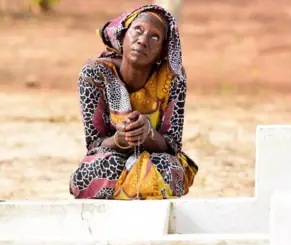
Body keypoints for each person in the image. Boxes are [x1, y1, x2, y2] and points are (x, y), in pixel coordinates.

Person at [69, 4, 198, 200]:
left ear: (163, 51)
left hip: (157, 159)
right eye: (137, 29)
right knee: (89, 174)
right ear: (122, 35)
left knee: (169, 169)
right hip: (113, 157)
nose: (143, 40)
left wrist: (148, 134)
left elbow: (172, 145)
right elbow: (95, 143)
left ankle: (124, 190)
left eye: (154, 37)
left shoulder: (172, 78)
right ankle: (140, 190)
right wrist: (120, 140)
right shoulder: (95, 74)